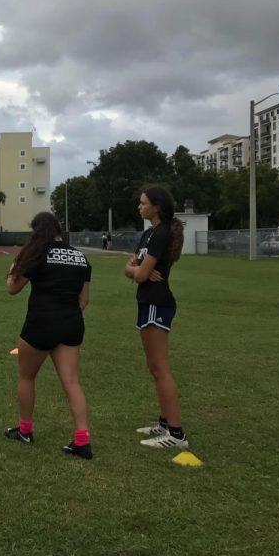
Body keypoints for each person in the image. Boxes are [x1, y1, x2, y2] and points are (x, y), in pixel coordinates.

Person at [4, 212, 93, 459]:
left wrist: (15, 265)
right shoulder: (79, 256)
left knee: (26, 377)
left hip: (41, 323)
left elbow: (12, 288)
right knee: (72, 382)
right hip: (71, 323)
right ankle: (82, 440)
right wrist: (66, 316)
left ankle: (25, 430)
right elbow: (84, 299)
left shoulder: (36, 253)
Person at [124, 185, 188, 449]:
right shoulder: (149, 233)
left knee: (160, 369)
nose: (139, 207)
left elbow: (138, 273)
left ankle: (176, 434)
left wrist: (137, 271)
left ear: (157, 206)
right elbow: (130, 267)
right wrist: (135, 270)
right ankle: (163, 423)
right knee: (154, 368)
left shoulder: (161, 233)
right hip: (147, 301)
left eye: (143, 203)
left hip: (156, 303)